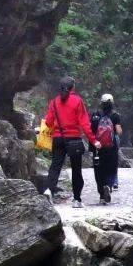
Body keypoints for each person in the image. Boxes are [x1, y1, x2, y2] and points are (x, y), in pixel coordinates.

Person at [44, 76, 94, 207]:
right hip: (73, 139)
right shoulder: (77, 101)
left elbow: (48, 122)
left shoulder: (54, 102)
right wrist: (93, 140)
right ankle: (77, 200)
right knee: (76, 169)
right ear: (73, 87)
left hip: (58, 139)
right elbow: (84, 123)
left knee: (55, 165)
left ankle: (49, 190)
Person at [91, 93, 122, 204]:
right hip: (111, 148)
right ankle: (108, 186)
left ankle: (101, 196)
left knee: (98, 170)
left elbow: (91, 131)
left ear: (101, 103)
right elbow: (118, 132)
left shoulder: (95, 115)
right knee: (111, 168)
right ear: (112, 103)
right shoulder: (115, 116)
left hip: (97, 148)